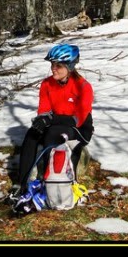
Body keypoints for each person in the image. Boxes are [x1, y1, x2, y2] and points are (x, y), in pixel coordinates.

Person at [15, 43, 94, 195]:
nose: (53, 68)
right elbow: (43, 111)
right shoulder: (47, 84)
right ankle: (21, 184)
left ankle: (47, 183)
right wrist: (42, 121)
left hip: (79, 127)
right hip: (57, 122)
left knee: (53, 132)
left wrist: (50, 119)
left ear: (70, 67)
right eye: (52, 64)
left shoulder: (83, 87)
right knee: (32, 134)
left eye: (58, 65)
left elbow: (77, 119)